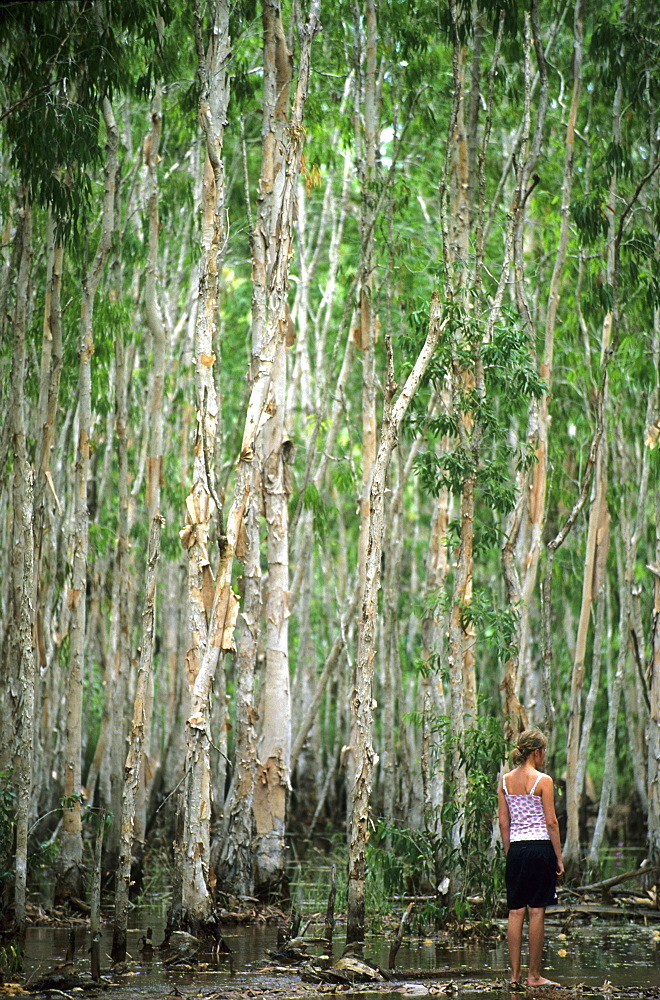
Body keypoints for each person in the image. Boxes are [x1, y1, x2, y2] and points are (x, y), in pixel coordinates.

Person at [498, 728, 564, 988]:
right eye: (543, 751)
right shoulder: (543, 780)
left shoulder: (505, 781)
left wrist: (510, 852)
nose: (544, 755)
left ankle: (514, 977)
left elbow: (504, 823)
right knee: (536, 911)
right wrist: (558, 857)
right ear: (536, 752)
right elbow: (551, 822)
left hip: (516, 849)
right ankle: (533, 976)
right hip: (539, 848)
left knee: (515, 912)